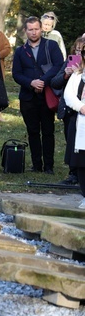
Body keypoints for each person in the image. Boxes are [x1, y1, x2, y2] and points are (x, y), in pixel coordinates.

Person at [12, 16, 65, 174]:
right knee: (33, 131)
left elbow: (58, 66)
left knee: (48, 131)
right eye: (30, 29)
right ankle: (37, 164)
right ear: (25, 31)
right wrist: (31, 83)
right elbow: (16, 74)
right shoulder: (21, 51)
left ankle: (49, 165)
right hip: (28, 97)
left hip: (46, 95)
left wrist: (42, 81)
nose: (34, 32)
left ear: (41, 29)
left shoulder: (51, 46)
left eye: (36, 29)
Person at [51, 37, 85, 185]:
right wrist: (66, 74)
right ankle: (74, 173)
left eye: (82, 50)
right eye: (77, 50)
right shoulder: (70, 64)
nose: (79, 53)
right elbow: (55, 83)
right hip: (71, 111)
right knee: (71, 141)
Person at [63, 55, 85, 208]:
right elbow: (68, 95)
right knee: (82, 162)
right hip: (81, 121)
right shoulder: (78, 75)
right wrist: (81, 107)